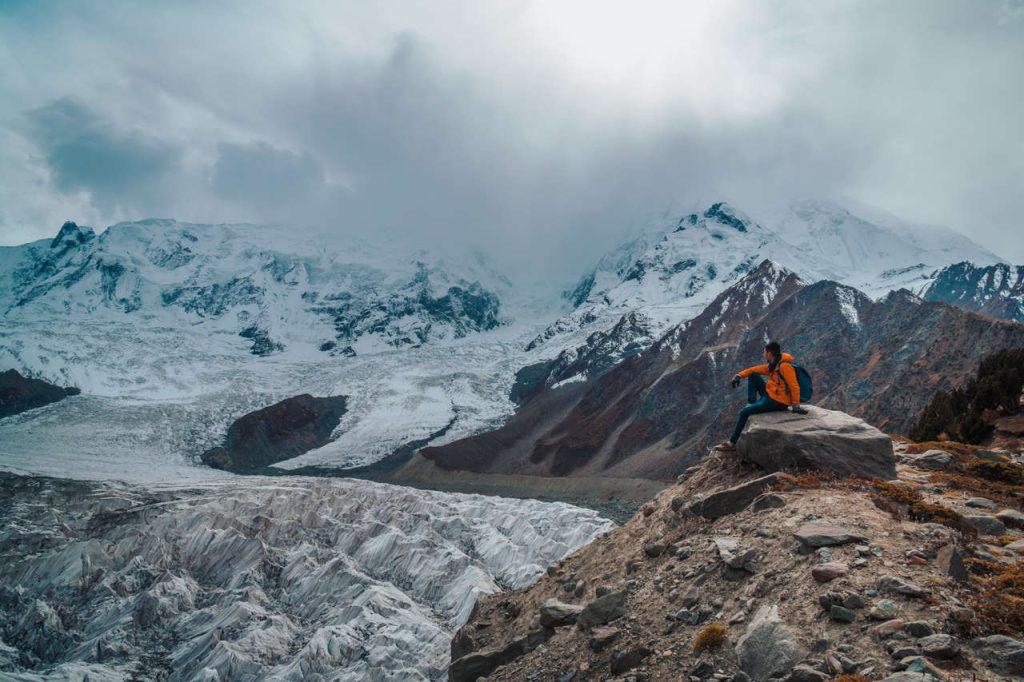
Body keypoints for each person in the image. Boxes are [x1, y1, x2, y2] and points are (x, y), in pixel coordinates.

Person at [716, 341, 805, 452]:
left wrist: (796, 405)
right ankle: (751, 402)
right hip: (770, 395)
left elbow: (794, 386)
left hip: (777, 401)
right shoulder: (773, 365)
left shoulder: (785, 367)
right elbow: (754, 369)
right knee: (753, 375)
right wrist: (739, 375)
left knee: (744, 412)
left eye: (764, 352)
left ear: (769, 353)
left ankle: (731, 443)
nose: (763, 355)